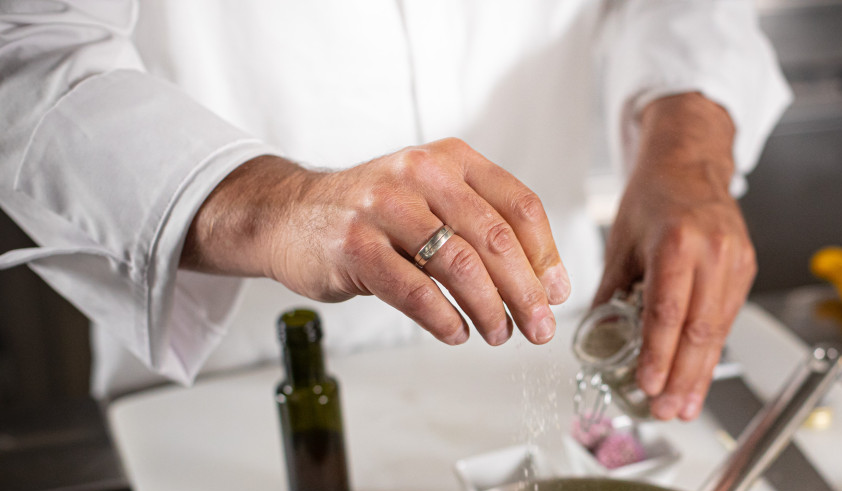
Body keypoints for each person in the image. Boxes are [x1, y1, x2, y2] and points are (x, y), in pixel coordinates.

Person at [0, 1, 791, 421]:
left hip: (541, 329)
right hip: (234, 372)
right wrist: (274, 205)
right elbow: (30, 52)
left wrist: (689, 152)